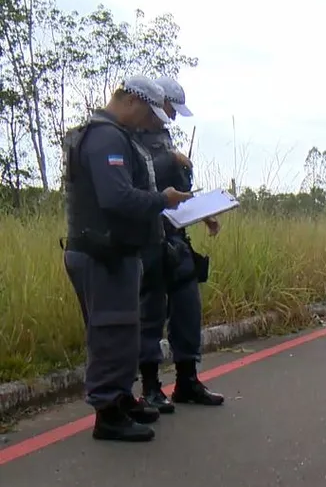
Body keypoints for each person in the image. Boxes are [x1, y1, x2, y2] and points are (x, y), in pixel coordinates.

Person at [61, 75, 193, 442]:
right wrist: (163, 200)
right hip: (100, 252)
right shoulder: (105, 137)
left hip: (115, 252)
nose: (150, 123)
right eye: (148, 114)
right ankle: (107, 413)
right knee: (108, 332)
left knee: (123, 331)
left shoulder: (117, 135)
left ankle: (120, 398)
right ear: (131, 101)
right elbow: (116, 197)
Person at [135, 76, 225, 415]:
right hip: (146, 238)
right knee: (151, 312)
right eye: (171, 108)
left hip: (175, 237)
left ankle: (187, 379)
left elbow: (176, 193)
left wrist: (205, 214)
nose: (172, 116)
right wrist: (171, 161)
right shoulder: (130, 137)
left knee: (188, 305)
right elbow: (137, 188)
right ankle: (151, 386)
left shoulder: (165, 139)